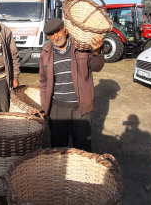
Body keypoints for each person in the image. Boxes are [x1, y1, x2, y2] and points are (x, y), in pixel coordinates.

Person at [39, 18, 104, 152]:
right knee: (58, 147)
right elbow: (43, 82)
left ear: (66, 30)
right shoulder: (45, 53)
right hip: (57, 109)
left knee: (82, 147)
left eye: (58, 31)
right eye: (51, 34)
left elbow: (97, 67)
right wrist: (45, 108)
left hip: (80, 108)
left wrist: (97, 52)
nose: (56, 37)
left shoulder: (81, 47)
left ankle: (81, 172)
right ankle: (59, 172)